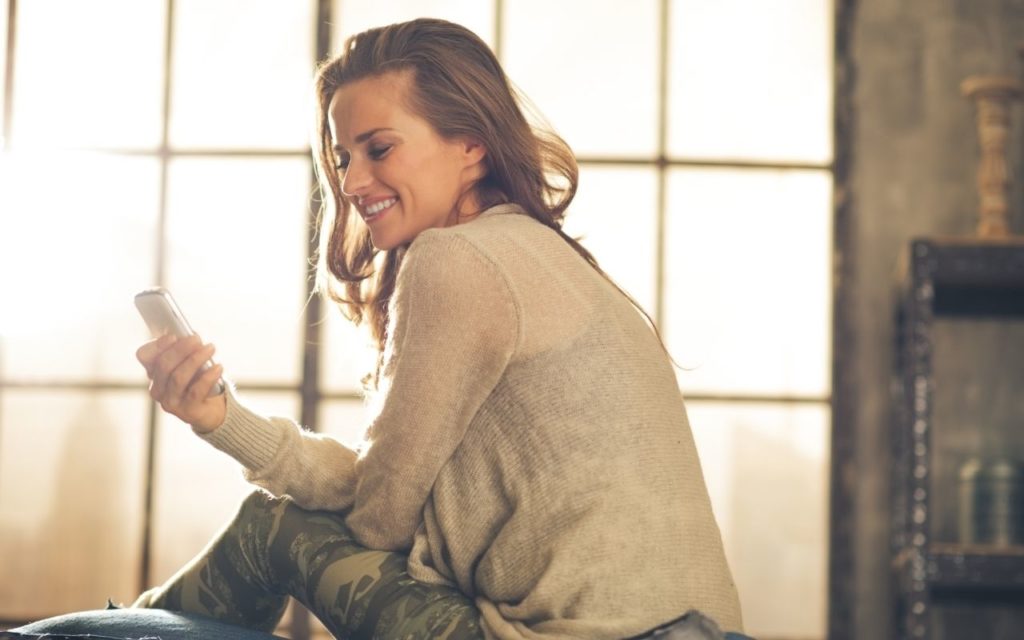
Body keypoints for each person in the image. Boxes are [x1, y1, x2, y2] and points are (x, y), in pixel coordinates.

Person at [129, 17, 743, 640]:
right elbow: (379, 488)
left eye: (379, 148)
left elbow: (379, 518)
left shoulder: (456, 259)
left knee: (270, 525)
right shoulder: (542, 256)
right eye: (343, 157)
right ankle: (126, 624)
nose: (351, 181)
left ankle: (119, 628)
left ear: (472, 142)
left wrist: (235, 433)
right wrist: (221, 419)